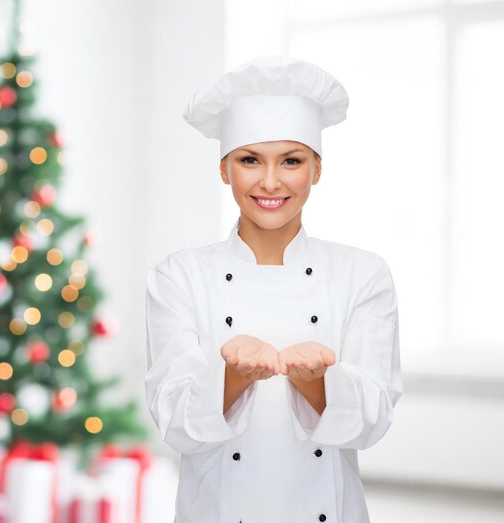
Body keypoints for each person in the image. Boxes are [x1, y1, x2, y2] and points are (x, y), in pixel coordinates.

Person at [144, 55, 402, 523]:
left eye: (291, 161)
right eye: (249, 160)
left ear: (317, 169)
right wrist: (235, 377)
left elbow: (373, 419)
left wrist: (315, 383)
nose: (270, 181)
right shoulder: (177, 276)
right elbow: (173, 421)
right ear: (224, 169)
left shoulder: (363, 273)